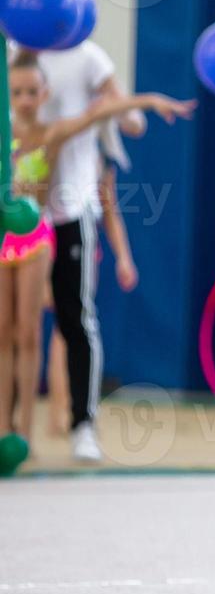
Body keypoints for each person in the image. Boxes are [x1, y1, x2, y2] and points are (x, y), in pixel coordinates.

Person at [0, 49, 194, 446]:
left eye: (31, 92)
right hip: (7, 240)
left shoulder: (51, 134)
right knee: (6, 332)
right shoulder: (7, 135)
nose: (23, 100)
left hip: (39, 237)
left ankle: (35, 430)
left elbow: (100, 112)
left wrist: (150, 101)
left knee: (35, 331)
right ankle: (4, 423)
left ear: (44, 93)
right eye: (16, 92)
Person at [34, 37, 149, 462]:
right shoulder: (18, 64)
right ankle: (21, 420)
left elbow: (128, 119)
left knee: (72, 321)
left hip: (68, 217)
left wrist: (140, 105)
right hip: (24, 217)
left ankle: (79, 420)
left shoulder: (87, 59)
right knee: (20, 328)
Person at [46, 154, 135, 438]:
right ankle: (56, 411)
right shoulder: (54, 140)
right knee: (28, 331)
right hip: (42, 242)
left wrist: (124, 257)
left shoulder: (98, 160)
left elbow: (110, 212)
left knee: (69, 329)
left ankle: (70, 409)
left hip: (81, 248)